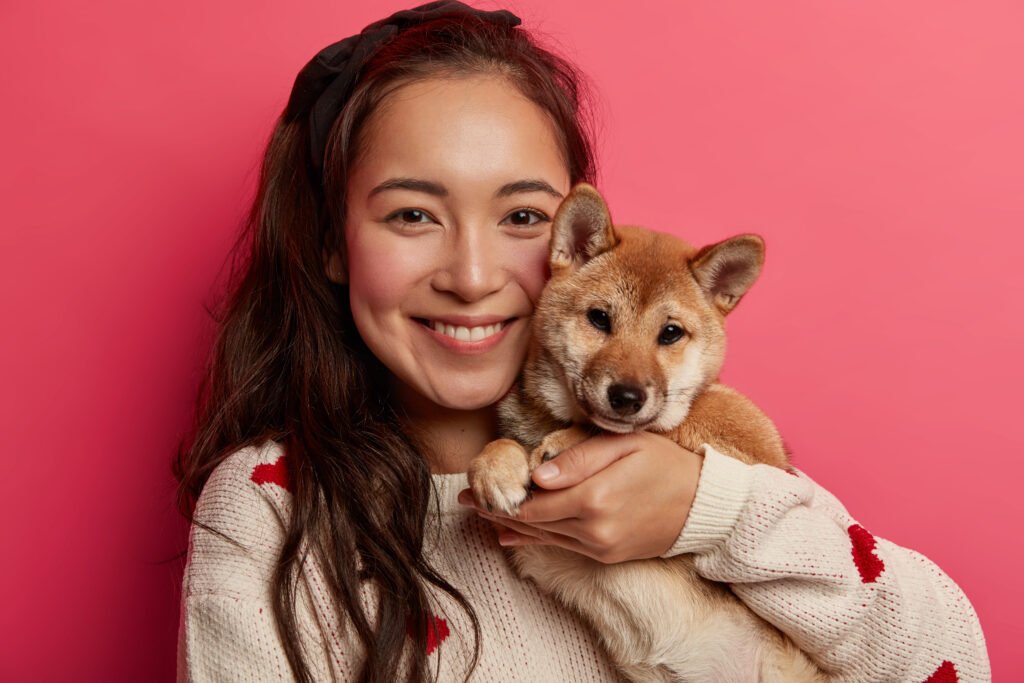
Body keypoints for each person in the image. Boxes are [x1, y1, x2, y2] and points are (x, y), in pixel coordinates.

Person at [173, 2, 990, 682]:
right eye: (413, 214)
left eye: (523, 216)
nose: (471, 272)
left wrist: (713, 511)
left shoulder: (689, 467)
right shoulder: (272, 509)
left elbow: (953, 659)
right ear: (329, 241)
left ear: (573, 235)